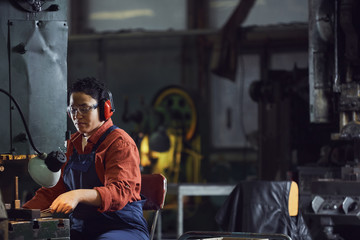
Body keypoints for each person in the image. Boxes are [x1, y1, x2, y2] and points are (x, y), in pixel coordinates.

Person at [23, 77, 149, 240]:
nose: (77, 116)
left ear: (105, 109)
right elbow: (53, 191)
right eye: (72, 110)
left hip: (123, 227)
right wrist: (20, 215)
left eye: (84, 109)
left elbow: (119, 192)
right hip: (82, 229)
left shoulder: (119, 143)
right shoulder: (71, 144)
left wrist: (78, 195)